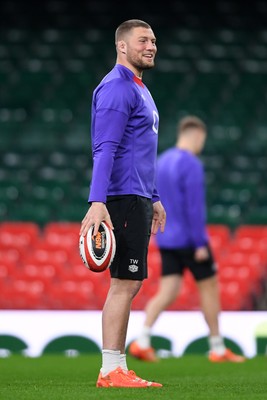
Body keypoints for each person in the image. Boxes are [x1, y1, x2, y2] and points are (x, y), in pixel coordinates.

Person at [80, 19, 166, 388]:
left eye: (154, 40)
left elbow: (140, 150)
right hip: (123, 196)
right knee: (124, 283)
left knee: (129, 283)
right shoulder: (117, 88)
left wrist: (156, 196)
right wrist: (97, 201)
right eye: (143, 40)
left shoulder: (137, 88)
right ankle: (110, 370)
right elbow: (106, 148)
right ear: (122, 46)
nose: (152, 46)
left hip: (138, 194)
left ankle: (116, 367)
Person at [129, 115, 246, 363]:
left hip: (166, 238)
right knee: (210, 287)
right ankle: (217, 346)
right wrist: (200, 243)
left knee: (168, 290)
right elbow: (193, 208)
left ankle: (142, 340)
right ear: (197, 136)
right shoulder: (191, 164)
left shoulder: (162, 161)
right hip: (190, 241)